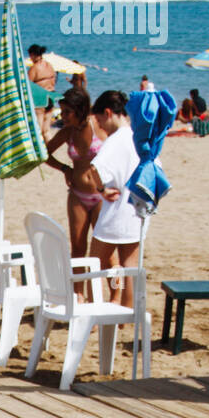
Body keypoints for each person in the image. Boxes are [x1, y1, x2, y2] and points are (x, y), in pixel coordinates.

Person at [71, 90, 144, 309]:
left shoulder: (115, 140)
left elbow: (94, 170)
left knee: (97, 264)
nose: (100, 126)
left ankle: (96, 311)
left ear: (109, 113)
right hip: (135, 209)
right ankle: (127, 312)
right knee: (128, 265)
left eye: (101, 120)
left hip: (115, 211)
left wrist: (102, 190)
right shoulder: (137, 136)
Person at [44, 86, 103, 257]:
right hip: (78, 195)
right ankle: (78, 285)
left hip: (101, 195)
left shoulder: (99, 126)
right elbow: (44, 155)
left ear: (80, 109)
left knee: (104, 254)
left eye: (67, 112)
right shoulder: (67, 132)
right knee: (77, 250)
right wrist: (64, 169)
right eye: (62, 111)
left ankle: (117, 286)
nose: (62, 116)